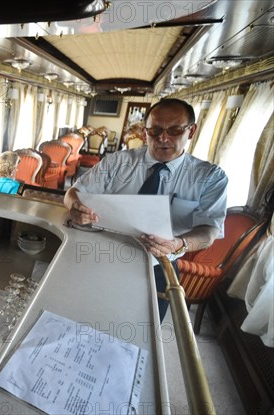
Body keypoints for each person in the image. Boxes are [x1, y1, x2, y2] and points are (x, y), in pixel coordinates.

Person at [64, 98, 228, 322]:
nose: (163, 138)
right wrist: (76, 207)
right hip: (104, 256)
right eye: (155, 130)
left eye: (175, 130)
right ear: (145, 132)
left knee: (142, 333)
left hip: (159, 265)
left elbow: (209, 230)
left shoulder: (209, 177)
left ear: (191, 131)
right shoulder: (118, 162)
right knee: (84, 317)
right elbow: (73, 192)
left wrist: (178, 243)